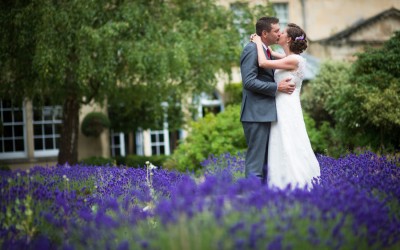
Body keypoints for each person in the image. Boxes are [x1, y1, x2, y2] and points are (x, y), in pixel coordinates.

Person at [251, 23, 321, 189]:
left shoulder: (293, 60)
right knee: (284, 141)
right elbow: (272, 54)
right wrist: (263, 44)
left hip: (286, 106)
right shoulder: (290, 58)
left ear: (288, 39)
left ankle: (290, 184)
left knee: (287, 140)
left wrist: (256, 42)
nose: (279, 34)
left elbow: (263, 62)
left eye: (282, 33)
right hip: (286, 104)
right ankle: (282, 182)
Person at [240, 17, 295, 183]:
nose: (279, 33)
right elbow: (248, 81)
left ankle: (263, 200)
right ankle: (253, 200)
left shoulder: (266, 51)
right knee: (256, 165)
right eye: (276, 31)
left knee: (266, 164)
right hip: (256, 114)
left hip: (267, 114)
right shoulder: (251, 49)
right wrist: (276, 88)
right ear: (264, 33)